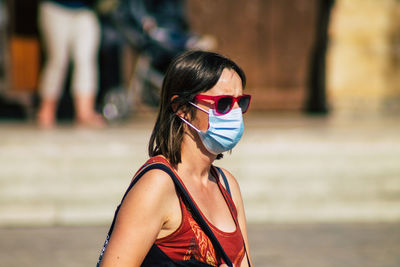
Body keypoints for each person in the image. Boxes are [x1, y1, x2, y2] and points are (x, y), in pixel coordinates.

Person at [98, 50, 253, 266]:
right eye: (224, 103)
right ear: (182, 108)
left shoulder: (227, 185)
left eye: (241, 102)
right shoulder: (158, 184)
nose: (235, 113)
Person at [37, 0, 105, 128]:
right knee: (57, 59)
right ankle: (47, 110)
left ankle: (85, 112)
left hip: (85, 9)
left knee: (86, 59)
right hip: (55, 7)